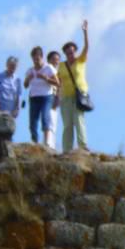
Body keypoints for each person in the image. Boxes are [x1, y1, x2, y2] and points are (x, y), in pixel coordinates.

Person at [57, 20, 90, 153]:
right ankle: (67, 150)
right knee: (67, 124)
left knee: (79, 120)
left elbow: (87, 48)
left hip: (79, 95)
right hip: (65, 97)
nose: (70, 54)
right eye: (68, 52)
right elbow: (58, 81)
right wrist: (57, 96)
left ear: (75, 51)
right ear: (65, 54)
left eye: (72, 52)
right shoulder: (61, 66)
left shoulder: (80, 61)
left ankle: (82, 146)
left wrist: (85, 32)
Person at [24, 46, 58, 146]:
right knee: (33, 121)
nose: (36, 61)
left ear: (42, 57)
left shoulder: (48, 68)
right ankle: (35, 141)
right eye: (34, 59)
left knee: (45, 117)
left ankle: (47, 141)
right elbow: (25, 85)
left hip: (46, 96)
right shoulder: (30, 70)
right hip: (34, 97)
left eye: (38, 59)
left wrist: (45, 78)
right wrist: (28, 79)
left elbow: (57, 82)